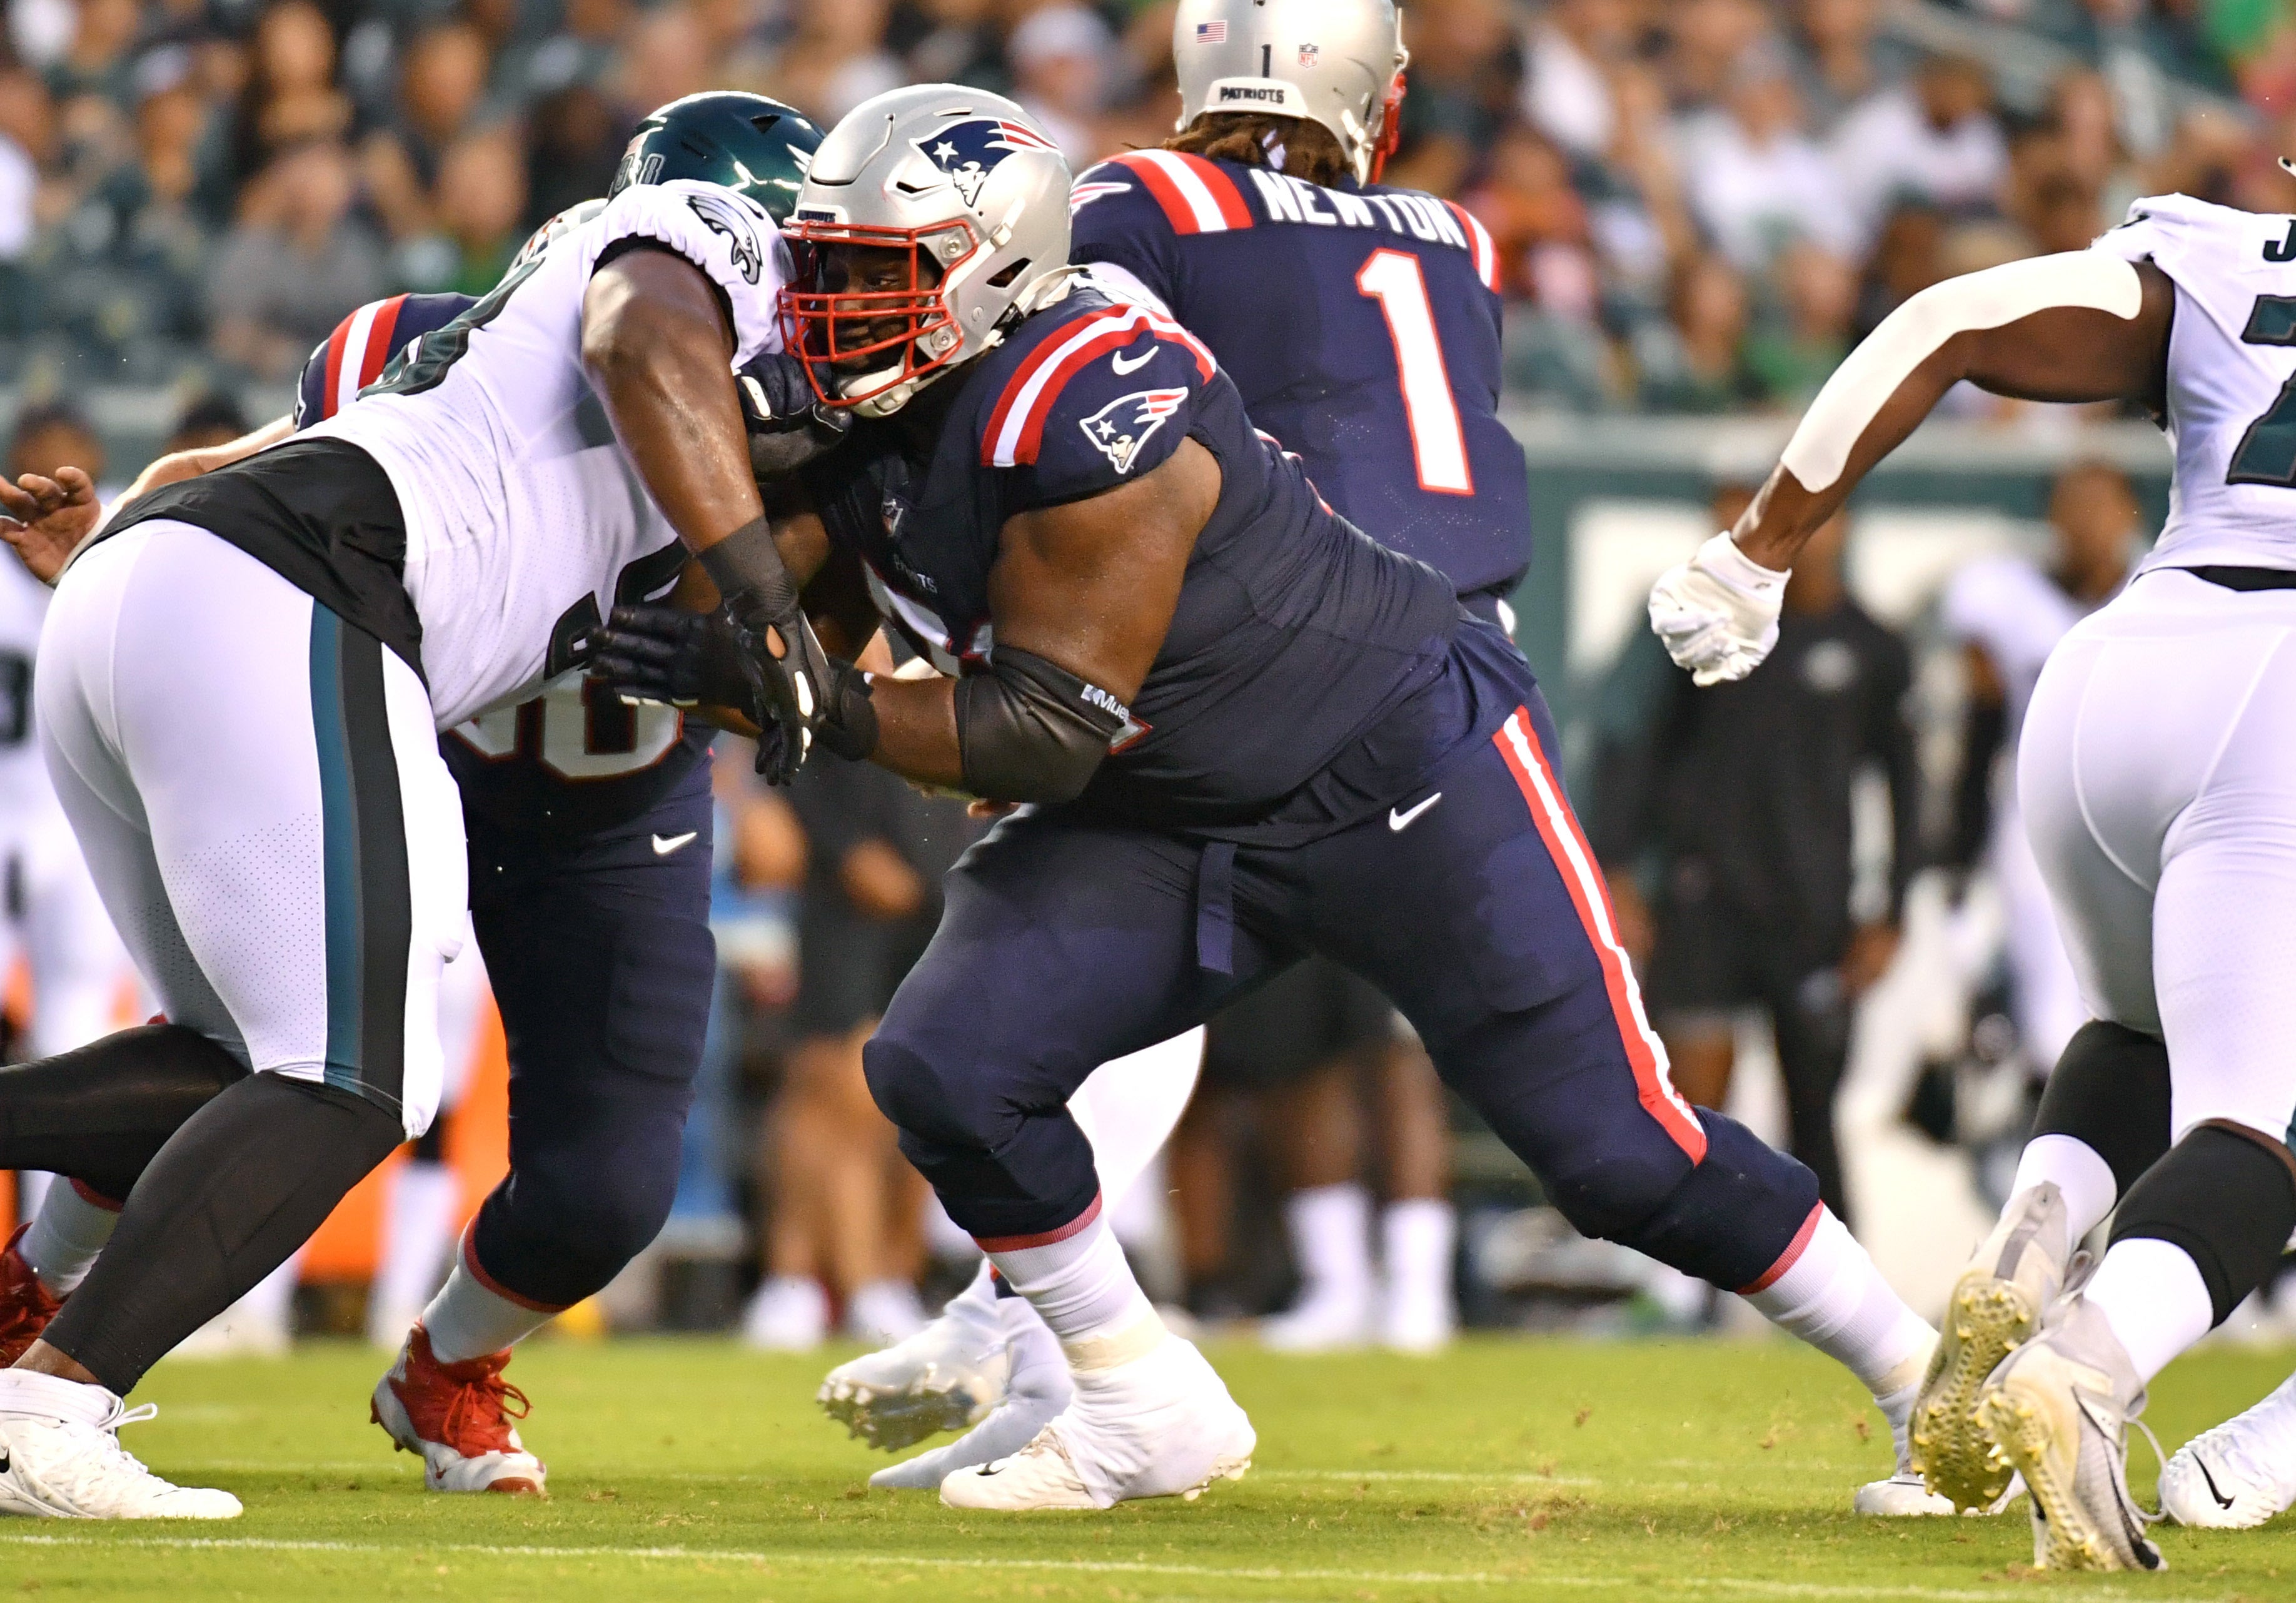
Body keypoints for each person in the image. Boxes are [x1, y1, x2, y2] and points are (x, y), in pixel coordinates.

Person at [597, 79, 1937, 1516]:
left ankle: (1929, 1384)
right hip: (1169, 805)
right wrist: (728, 644)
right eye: (821, 269)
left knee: (1618, 1156)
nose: (829, 307)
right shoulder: (875, 399)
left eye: (874, 276)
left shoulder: (1091, 392)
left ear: (986, 267)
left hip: (1392, 764)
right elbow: (802, 610)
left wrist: (826, 702)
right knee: (947, 1063)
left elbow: (1042, 729)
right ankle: (1131, 1400)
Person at [0, 87, 814, 1518]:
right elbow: (277, 474)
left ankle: (72, 1344)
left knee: (275, 1067)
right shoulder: (639, 296)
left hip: (583, 784)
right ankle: (54, 1387)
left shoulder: (794, 413)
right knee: (349, 1076)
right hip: (358, 667)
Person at [821, 0, 1520, 1475]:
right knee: (1322, 1027)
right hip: (1451, 647)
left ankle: (1021, 1335)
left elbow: (1068, 389)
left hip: (1269, 648)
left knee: (1116, 978)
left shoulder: (1150, 197)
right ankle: (1031, 1337)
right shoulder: (1455, 236)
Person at [1643, 171, 2296, 1570]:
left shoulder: (2222, 257)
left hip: (2119, 668)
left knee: (2133, 1036)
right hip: (2280, 710)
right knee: (2260, 1125)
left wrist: (1763, 545)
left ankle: (2021, 1260)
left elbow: (1947, 317)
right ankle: (2089, 1372)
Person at [1596, 502, 1918, 1233]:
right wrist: (1618, 867)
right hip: (1704, 894)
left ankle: (1844, 1295)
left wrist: (1892, 910)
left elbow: (1906, 786)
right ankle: (1679, 1287)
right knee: (1692, 1105)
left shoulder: (1873, 647)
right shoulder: (1711, 629)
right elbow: (1635, 752)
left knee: (1816, 1112)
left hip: (1814, 913)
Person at [1938, 462, 2137, 1081]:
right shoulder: (2006, 598)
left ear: (2130, 513)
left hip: (2136, 818)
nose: (2086, 523)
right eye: (2072, 504)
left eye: (2101, 504)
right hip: (2035, 821)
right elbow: (1980, 731)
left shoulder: (2162, 593)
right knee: (2049, 1014)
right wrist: (1958, 851)